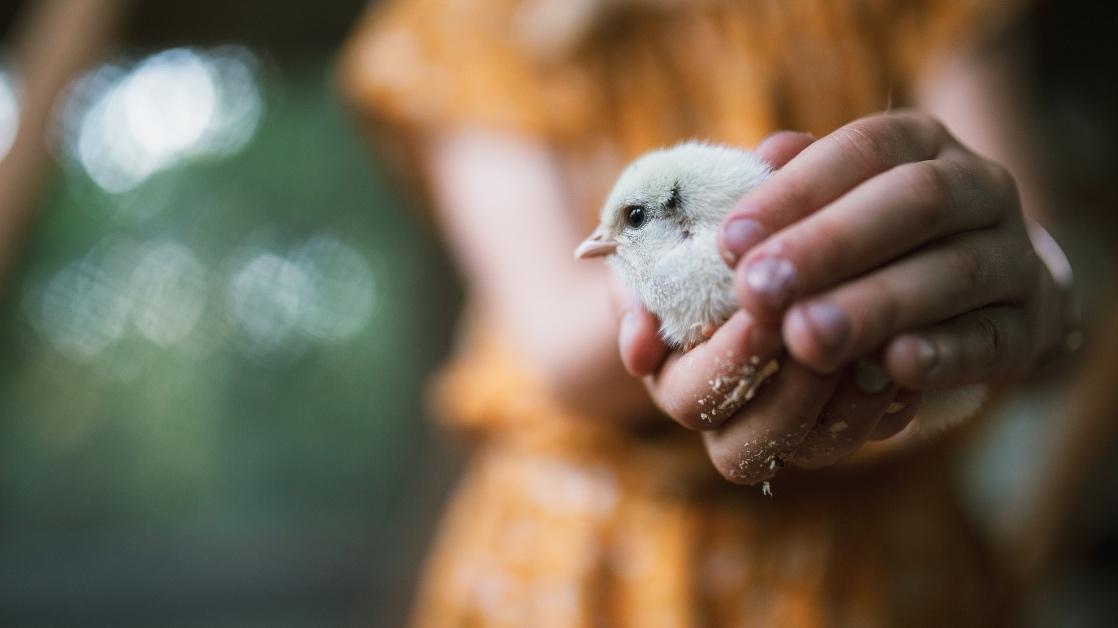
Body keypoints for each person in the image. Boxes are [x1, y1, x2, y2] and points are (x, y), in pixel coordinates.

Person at [340, 0, 1076, 624]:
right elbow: (559, 344)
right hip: (599, 574)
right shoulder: (476, 18)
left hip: (883, 574)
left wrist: (1029, 289)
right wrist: (719, 286)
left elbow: (1045, 291)